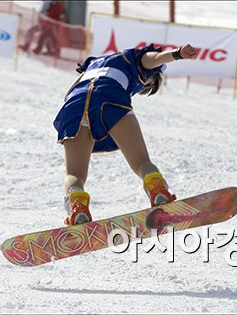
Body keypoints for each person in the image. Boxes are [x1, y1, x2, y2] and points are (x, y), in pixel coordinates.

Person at [53, 44, 197, 225]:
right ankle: (158, 191)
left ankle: (77, 207)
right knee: (141, 162)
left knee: (75, 174)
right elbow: (154, 59)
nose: (142, 87)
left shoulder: (93, 65)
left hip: (73, 106)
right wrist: (177, 54)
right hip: (110, 97)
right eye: (148, 85)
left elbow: (70, 92)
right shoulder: (133, 59)